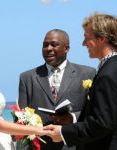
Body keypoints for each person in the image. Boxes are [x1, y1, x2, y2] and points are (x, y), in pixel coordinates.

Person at [45, 13, 117, 150]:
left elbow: (102, 123)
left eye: (87, 38)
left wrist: (62, 132)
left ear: (102, 38)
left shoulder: (108, 74)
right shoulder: (111, 67)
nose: (83, 44)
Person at [18, 29, 96, 150]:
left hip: (74, 145)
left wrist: (72, 117)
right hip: (40, 146)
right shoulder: (27, 77)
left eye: (54, 45)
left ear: (66, 48)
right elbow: (21, 117)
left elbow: (94, 113)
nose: (48, 48)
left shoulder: (87, 73)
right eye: (45, 45)